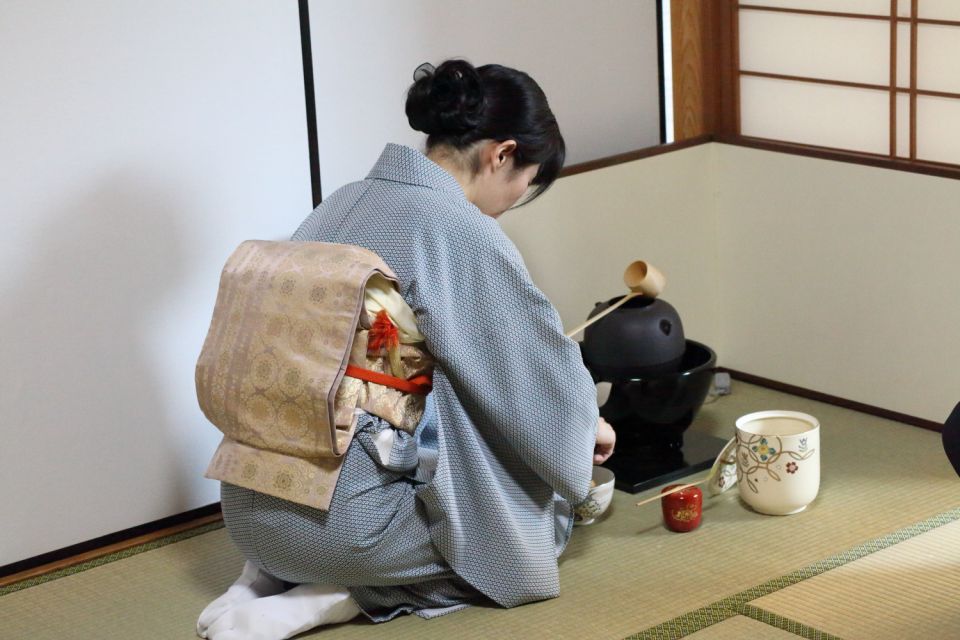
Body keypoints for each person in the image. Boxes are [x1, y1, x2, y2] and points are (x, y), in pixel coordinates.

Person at [197, 59, 616, 640]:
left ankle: (266, 577)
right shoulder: (453, 228)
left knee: (429, 393)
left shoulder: (341, 203)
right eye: (525, 182)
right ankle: (338, 597)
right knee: (537, 529)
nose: (515, 200)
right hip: (348, 530)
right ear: (502, 154)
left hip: (248, 510)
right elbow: (531, 376)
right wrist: (585, 423)